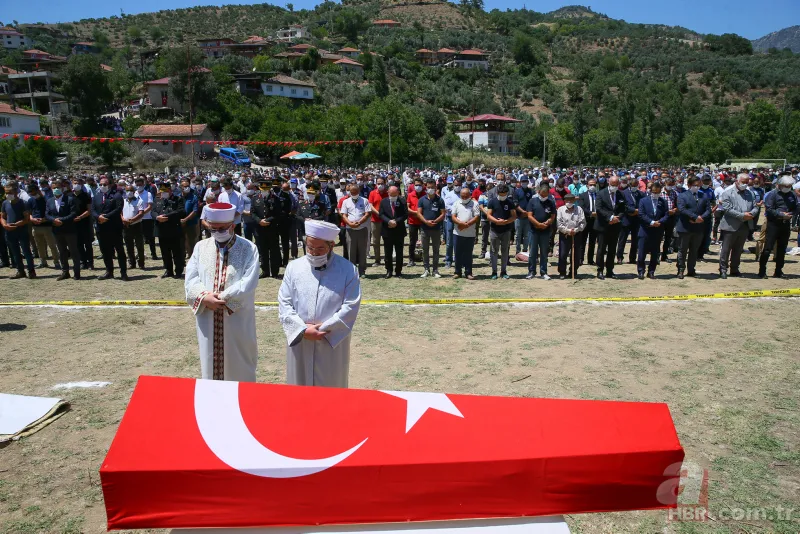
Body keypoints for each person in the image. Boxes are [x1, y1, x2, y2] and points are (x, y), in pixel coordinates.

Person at [279, 220, 361, 388]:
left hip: (330, 342)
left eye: (320, 249)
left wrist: (324, 329)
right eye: (310, 248)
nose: (314, 253)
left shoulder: (348, 270)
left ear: (331, 245)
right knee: (299, 390)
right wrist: (302, 330)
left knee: (331, 389)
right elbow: (284, 302)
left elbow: (350, 306)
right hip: (301, 340)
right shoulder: (294, 267)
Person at [185, 202, 260, 382]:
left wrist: (222, 298)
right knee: (210, 359)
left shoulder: (248, 248)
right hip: (207, 314)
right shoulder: (200, 247)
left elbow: (248, 281)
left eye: (222, 229)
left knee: (240, 359)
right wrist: (205, 297)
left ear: (232, 226)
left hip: (237, 316)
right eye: (213, 229)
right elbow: (191, 278)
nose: (218, 232)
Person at [718, 173, 758, 279]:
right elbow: (727, 209)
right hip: (731, 225)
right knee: (726, 249)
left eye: (747, 182)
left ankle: (735, 269)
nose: (745, 184)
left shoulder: (750, 193)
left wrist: (752, 214)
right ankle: (723, 269)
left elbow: (755, 206)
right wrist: (742, 216)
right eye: (743, 182)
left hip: (744, 225)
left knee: (738, 249)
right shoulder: (728, 193)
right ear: (737, 181)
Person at [758, 175, 797, 279]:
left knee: (782, 248)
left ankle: (778, 271)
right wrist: (781, 214)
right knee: (767, 248)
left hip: (785, 224)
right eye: (786, 185)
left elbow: (796, 207)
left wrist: (790, 214)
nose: (788, 187)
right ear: (780, 185)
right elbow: (769, 209)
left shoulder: (792, 194)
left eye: (789, 185)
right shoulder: (772, 194)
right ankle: (762, 271)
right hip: (773, 224)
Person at [91, 176, 128, 281]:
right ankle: (109, 271)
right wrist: (98, 217)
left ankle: (123, 272)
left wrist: (105, 217)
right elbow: (93, 209)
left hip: (114, 227)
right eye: (101, 184)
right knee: (105, 251)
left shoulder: (116, 195)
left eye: (105, 184)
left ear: (110, 185)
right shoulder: (96, 196)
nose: (102, 186)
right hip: (101, 228)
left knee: (119, 250)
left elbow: (118, 209)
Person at [675, 176, 711, 279]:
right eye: (695, 185)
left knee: (694, 250)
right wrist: (694, 217)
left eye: (698, 185)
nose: (697, 187)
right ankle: (680, 269)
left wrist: (700, 218)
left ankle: (691, 270)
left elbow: (708, 209)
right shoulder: (682, 196)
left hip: (698, 227)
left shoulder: (703, 195)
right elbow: (681, 209)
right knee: (682, 250)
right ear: (689, 185)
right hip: (685, 227)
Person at [45, 179, 80, 280]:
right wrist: (54, 220)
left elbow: (73, 213)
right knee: (62, 251)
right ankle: (65, 272)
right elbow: (47, 214)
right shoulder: (50, 201)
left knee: (73, 251)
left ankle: (76, 272)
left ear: (62, 188)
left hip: (69, 230)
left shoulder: (70, 199)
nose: (56, 189)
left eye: (58, 188)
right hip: (57, 230)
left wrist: (62, 220)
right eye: (54, 188)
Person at [594, 175, 627, 280]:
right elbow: (599, 208)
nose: (615, 186)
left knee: (612, 249)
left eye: (616, 185)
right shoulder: (601, 193)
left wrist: (617, 218)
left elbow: (623, 209)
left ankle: (610, 270)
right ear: (609, 183)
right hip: (603, 226)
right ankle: (600, 270)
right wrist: (610, 217)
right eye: (613, 185)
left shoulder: (621, 194)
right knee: (601, 249)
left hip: (616, 226)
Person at [152, 181, 187, 279]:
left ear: (170, 190)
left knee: (177, 252)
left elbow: (181, 211)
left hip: (174, 230)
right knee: (165, 252)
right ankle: (168, 270)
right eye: (161, 191)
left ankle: (179, 270)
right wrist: (157, 217)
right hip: (161, 230)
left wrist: (166, 216)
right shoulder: (157, 200)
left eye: (165, 191)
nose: (163, 193)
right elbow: (153, 211)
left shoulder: (178, 199)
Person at [2, 181, 36, 278]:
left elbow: (27, 218)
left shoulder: (23, 203)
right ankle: (20, 271)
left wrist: (18, 224)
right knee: (15, 253)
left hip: (22, 231)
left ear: (16, 192)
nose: (7, 195)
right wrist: (5, 225)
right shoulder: (5, 203)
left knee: (26, 251)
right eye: (6, 193)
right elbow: (3, 216)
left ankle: (31, 271)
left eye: (10, 193)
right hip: (9, 231)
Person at [637, 182, 669, 279]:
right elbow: (641, 214)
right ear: (651, 191)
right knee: (642, 253)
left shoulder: (663, 202)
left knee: (655, 253)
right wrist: (651, 222)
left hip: (657, 230)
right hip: (645, 230)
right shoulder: (643, 201)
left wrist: (659, 222)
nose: (656, 194)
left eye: (658, 192)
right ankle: (641, 271)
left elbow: (666, 215)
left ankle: (651, 271)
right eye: (654, 192)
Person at [526, 182, 556, 280]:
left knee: (544, 253)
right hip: (533, 231)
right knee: (533, 252)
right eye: (542, 195)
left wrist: (547, 223)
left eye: (545, 195)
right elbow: (529, 215)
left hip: (545, 231)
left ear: (548, 193)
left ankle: (544, 272)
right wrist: (537, 224)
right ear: (538, 192)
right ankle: (531, 271)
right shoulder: (532, 201)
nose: (543, 197)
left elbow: (552, 216)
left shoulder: (550, 202)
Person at [26, 182, 60, 270]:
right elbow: (29, 213)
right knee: (39, 246)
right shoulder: (31, 200)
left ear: (37, 190)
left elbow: (51, 212)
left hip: (47, 226)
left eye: (33, 193)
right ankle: (43, 262)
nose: (33, 195)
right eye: (31, 193)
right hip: (36, 227)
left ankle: (56, 262)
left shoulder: (47, 200)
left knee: (52, 245)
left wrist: (45, 219)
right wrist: (32, 219)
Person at [485, 183, 516, 280]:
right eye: (501, 195)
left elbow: (514, 216)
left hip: (506, 230)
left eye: (505, 194)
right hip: (494, 230)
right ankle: (494, 271)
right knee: (494, 251)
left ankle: (503, 271)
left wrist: (506, 222)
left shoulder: (510, 202)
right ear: (497, 193)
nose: (503, 196)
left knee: (505, 251)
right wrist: (496, 221)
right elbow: (488, 215)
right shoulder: (492, 202)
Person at [341, 183, 370, 278]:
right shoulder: (346, 202)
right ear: (349, 192)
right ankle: (352, 271)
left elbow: (367, 213)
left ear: (358, 191)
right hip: (350, 230)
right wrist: (349, 223)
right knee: (351, 251)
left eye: (355, 192)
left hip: (362, 229)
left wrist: (359, 222)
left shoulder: (365, 200)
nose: (354, 194)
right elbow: (344, 215)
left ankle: (362, 271)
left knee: (362, 250)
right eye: (352, 192)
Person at [417, 177, 445, 278]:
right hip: (425, 228)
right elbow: (419, 213)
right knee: (425, 249)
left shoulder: (440, 200)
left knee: (436, 250)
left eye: (432, 187)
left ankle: (435, 270)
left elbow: (443, 214)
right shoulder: (421, 200)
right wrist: (426, 221)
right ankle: (426, 269)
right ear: (426, 188)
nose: (430, 189)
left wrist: (435, 221)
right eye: (429, 187)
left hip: (436, 229)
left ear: (435, 187)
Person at [378, 185, 407, 278]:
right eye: (392, 194)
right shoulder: (383, 201)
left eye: (395, 194)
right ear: (388, 193)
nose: (393, 196)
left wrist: (396, 221)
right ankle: (389, 270)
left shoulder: (402, 201)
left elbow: (405, 214)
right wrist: (389, 221)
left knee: (399, 252)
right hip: (387, 230)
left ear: (398, 193)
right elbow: (381, 214)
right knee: (388, 252)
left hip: (399, 230)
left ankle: (398, 271)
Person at [451, 186, 480, 279]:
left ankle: (468, 272)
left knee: (468, 254)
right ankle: (457, 272)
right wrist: (460, 223)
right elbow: (453, 216)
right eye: (462, 196)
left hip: (470, 234)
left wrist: (466, 224)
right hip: (458, 233)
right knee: (457, 253)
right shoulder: (456, 203)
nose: (464, 198)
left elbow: (476, 217)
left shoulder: (475, 204)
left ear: (470, 196)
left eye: (466, 196)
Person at [556, 193, 586, 279]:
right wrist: (568, 231)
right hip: (565, 235)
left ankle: (573, 271)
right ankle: (562, 272)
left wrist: (576, 230)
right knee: (563, 254)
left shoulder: (579, 209)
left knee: (576, 254)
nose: (569, 202)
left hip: (577, 234)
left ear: (574, 201)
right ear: (564, 201)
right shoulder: (560, 210)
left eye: (571, 200)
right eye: (567, 200)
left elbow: (583, 222)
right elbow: (559, 224)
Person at [616, 178, 644, 265]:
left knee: (635, 240)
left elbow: (644, 204)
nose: (635, 187)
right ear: (629, 185)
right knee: (622, 239)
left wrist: (638, 211)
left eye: (636, 186)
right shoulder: (623, 193)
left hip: (637, 220)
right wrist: (632, 211)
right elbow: (623, 206)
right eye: (633, 186)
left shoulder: (641, 194)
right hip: (626, 219)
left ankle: (632, 258)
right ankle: (620, 257)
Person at [121, 183, 145, 270]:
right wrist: (123, 219)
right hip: (126, 226)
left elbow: (141, 213)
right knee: (129, 246)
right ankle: (132, 263)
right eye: (127, 190)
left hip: (136, 225)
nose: (129, 192)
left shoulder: (139, 201)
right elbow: (120, 212)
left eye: (131, 190)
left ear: (134, 192)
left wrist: (131, 220)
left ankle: (141, 263)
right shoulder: (123, 201)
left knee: (139, 245)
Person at [71, 177, 94, 270]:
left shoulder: (86, 196)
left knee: (87, 244)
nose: (76, 184)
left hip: (85, 222)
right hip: (74, 223)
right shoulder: (70, 196)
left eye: (78, 183)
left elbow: (89, 210)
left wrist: (80, 217)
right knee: (78, 244)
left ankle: (90, 262)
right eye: (74, 183)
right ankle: (82, 261)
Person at [135, 175, 157, 261]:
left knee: (150, 237)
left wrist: (141, 213)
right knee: (138, 238)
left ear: (143, 185)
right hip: (137, 219)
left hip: (147, 218)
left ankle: (153, 254)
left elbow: (150, 206)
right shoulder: (134, 193)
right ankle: (139, 254)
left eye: (140, 185)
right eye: (137, 185)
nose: (138, 187)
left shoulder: (148, 194)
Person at [577, 178, 598, 267]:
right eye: (590, 184)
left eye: (594, 184)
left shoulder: (599, 195)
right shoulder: (582, 195)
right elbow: (581, 207)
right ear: (587, 185)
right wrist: (591, 213)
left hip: (596, 221)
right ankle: (581, 259)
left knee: (592, 241)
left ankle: (590, 259)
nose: (592, 186)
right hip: (585, 220)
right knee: (583, 240)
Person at [368, 176, 388, 266]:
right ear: (376, 184)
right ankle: (377, 260)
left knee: (387, 240)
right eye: (378, 183)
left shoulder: (388, 193)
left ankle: (387, 258)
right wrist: (378, 213)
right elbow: (370, 205)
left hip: (386, 221)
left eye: (382, 183)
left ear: (385, 183)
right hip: (375, 220)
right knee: (376, 241)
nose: (380, 185)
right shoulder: (372, 193)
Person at [660, 176, 680, 262]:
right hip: (661, 217)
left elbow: (677, 205)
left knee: (668, 238)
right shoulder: (660, 192)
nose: (670, 186)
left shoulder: (675, 193)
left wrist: (675, 209)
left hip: (671, 218)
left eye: (672, 185)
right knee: (658, 237)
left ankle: (664, 255)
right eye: (669, 184)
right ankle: (656, 255)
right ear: (665, 184)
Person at [406, 177, 424, 267]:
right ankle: (411, 260)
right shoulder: (410, 195)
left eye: (419, 185)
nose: (418, 187)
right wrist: (416, 213)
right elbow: (407, 207)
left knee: (425, 241)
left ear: (423, 185)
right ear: (413, 185)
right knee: (412, 241)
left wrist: (420, 214)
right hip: (412, 221)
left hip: (423, 221)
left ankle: (425, 259)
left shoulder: (425, 195)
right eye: (416, 185)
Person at [180, 178, 200, 256]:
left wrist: (185, 219)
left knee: (192, 242)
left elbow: (195, 211)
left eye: (188, 186)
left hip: (191, 223)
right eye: (184, 186)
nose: (187, 188)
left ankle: (193, 257)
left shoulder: (193, 197)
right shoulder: (178, 197)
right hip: (180, 224)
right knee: (182, 242)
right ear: (181, 187)